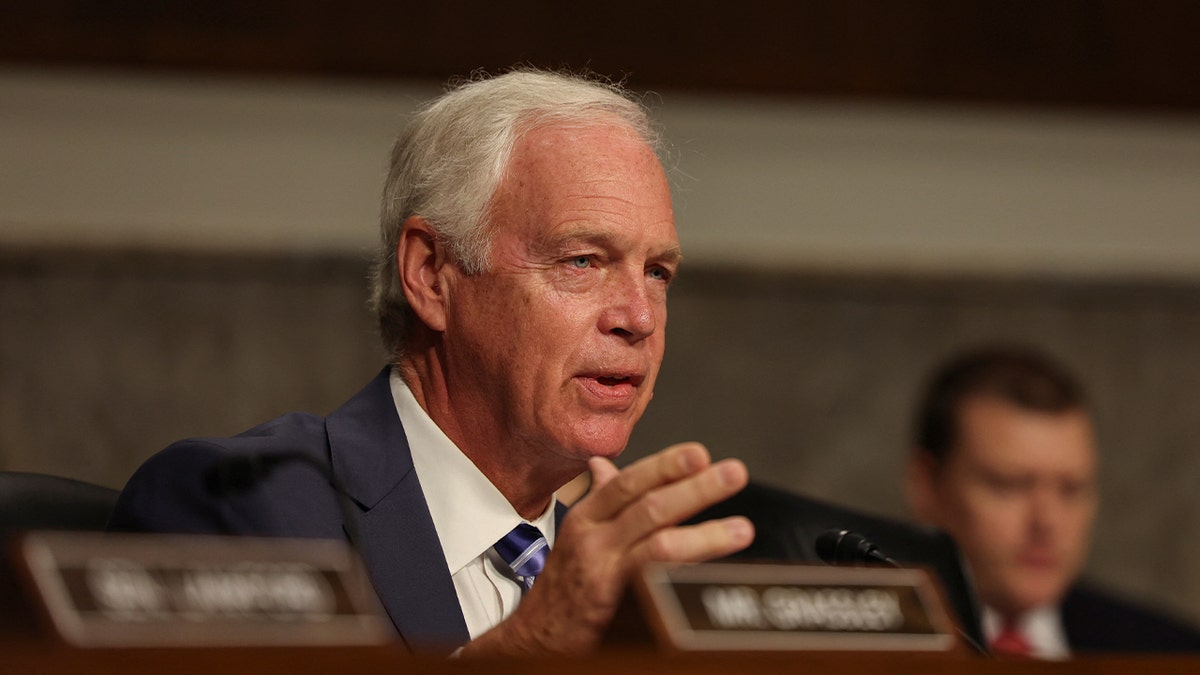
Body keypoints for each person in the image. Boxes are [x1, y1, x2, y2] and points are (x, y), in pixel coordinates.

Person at [108, 69, 754, 656]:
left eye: (658, 272)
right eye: (582, 260)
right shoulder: (239, 509)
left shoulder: (627, 573)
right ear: (430, 274)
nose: (639, 317)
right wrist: (529, 647)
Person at [905, 345, 1200, 658]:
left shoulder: (1172, 654)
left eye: (1070, 490)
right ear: (928, 487)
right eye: (1010, 485)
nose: (1047, 521)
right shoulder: (874, 648)